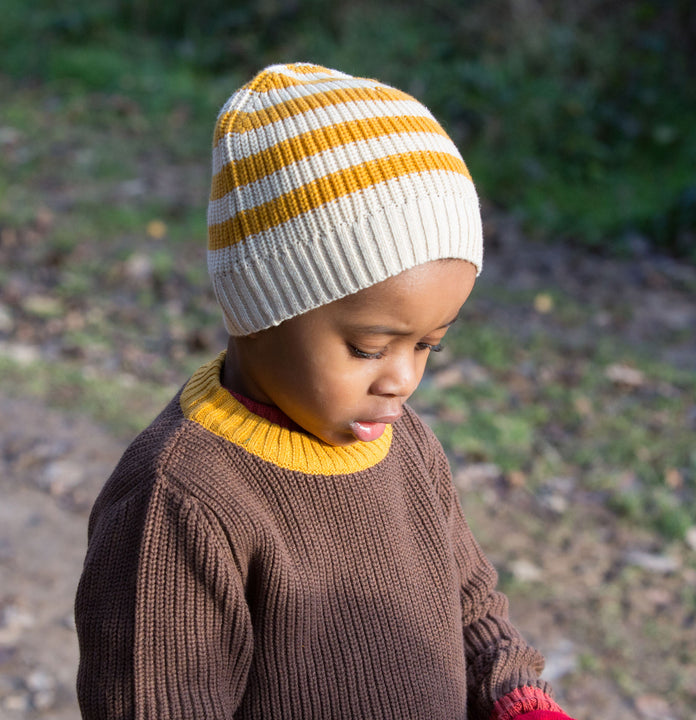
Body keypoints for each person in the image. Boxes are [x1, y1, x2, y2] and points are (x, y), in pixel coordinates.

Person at [75, 62, 576, 720]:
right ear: (260, 311)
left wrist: (518, 703)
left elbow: (472, 613)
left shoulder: (407, 447)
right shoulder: (183, 499)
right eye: (370, 348)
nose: (402, 379)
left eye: (429, 345)